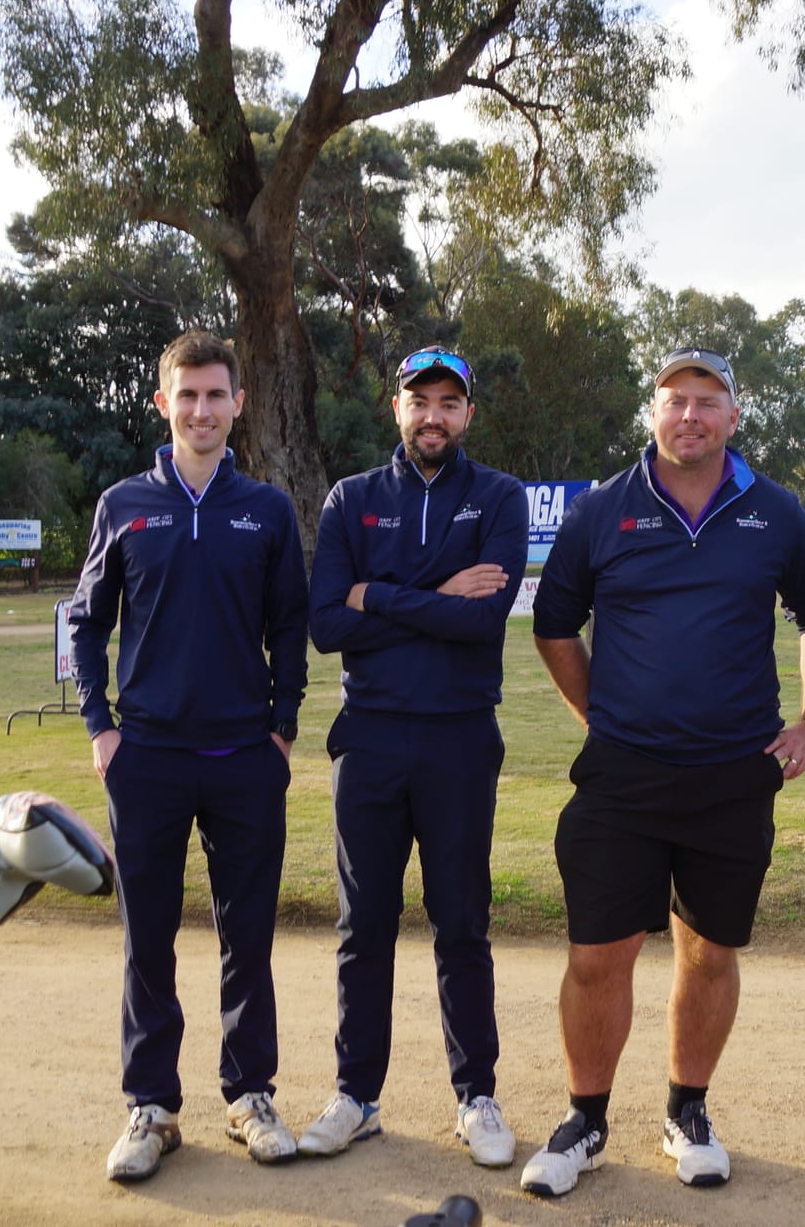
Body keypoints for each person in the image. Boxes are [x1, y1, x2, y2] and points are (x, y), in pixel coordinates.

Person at [521, 347, 805, 1198]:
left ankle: (686, 1110)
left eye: (708, 400)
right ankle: (585, 1119)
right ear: (652, 412)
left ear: (734, 416)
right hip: (622, 778)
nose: (690, 414)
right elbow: (555, 624)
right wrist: (601, 714)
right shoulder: (602, 510)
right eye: (675, 399)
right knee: (598, 954)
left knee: (708, 952)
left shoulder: (773, 510)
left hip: (733, 775)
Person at [69, 330, 309, 1182]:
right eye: (188, 395)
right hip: (150, 758)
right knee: (149, 941)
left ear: (238, 403)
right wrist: (101, 725)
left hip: (247, 756)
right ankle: (152, 1106)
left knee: (248, 936)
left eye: (216, 395)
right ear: (163, 402)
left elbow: (289, 624)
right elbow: (85, 619)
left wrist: (282, 728)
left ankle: (250, 1095)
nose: (202, 410)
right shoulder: (123, 503)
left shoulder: (268, 509)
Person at [297, 346, 529, 1167]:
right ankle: (357, 1096)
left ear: (468, 413)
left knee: (462, 922)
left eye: (448, 402)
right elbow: (326, 623)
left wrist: (378, 593)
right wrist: (432, 592)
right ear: (394, 405)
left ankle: (477, 1097)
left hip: (461, 736)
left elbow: (483, 617)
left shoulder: (498, 497)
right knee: (364, 926)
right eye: (418, 399)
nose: (433, 414)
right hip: (370, 738)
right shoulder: (351, 499)